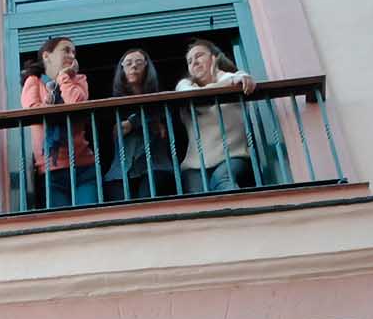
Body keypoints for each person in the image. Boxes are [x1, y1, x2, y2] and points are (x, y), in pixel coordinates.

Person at [174, 37, 259, 194]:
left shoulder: (233, 78)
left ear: (214, 57)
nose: (194, 62)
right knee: (199, 200)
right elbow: (193, 95)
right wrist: (228, 83)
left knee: (222, 179)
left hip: (233, 156)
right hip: (195, 165)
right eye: (190, 60)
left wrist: (228, 76)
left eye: (199, 56)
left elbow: (236, 78)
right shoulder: (184, 85)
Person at [21, 36, 98, 209]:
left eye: (73, 52)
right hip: (51, 171)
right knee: (62, 226)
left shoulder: (79, 80)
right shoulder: (34, 82)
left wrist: (64, 77)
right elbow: (33, 110)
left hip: (84, 166)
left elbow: (76, 102)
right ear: (47, 56)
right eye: (66, 50)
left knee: (89, 221)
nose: (71, 55)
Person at [105, 48, 179, 201]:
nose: (134, 66)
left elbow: (165, 127)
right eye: (129, 63)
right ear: (122, 68)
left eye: (139, 62)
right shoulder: (114, 104)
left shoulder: (160, 100)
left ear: (147, 66)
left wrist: (132, 123)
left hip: (155, 167)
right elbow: (114, 132)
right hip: (120, 173)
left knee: (148, 201)